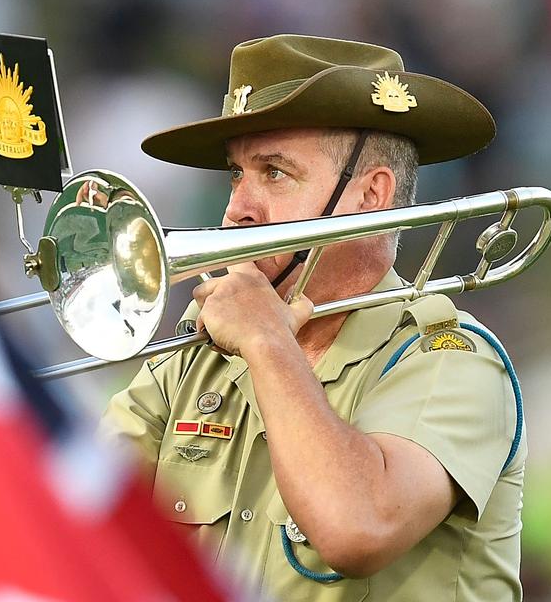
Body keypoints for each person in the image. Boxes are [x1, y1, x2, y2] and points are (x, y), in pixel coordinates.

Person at [102, 35, 523, 600]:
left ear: (371, 195)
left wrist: (268, 342)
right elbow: (72, 512)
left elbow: (358, 527)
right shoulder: (190, 365)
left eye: (274, 172)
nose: (237, 208)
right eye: (236, 174)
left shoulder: (453, 360)